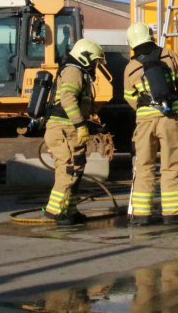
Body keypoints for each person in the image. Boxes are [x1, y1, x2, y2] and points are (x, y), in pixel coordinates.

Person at [123, 22, 178, 225]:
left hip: (144, 122)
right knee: (171, 166)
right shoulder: (168, 55)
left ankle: (141, 215)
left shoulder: (130, 67)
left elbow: (129, 97)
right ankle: (172, 214)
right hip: (170, 119)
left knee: (143, 167)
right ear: (150, 36)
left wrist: (144, 110)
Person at [43, 38, 104, 225]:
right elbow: (68, 98)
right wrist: (80, 125)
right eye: (94, 61)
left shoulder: (79, 72)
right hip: (63, 128)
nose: (95, 65)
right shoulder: (73, 71)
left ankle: (70, 209)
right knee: (67, 170)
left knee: (76, 168)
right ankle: (56, 211)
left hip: (69, 128)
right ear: (85, 57)